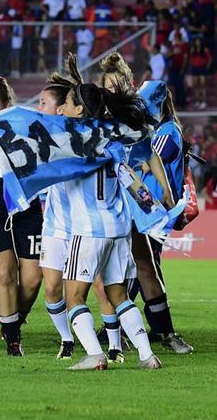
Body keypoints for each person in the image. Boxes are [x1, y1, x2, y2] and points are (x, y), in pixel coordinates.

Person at [57, 81, 161, 370]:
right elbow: (131, 180)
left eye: (67, 102)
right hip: (117, 229)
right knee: (118, 294)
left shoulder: (72, 142)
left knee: (74, 295)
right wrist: (153, 209)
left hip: (88, 230)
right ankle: (146, 355)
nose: (63, 107)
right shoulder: (114, 140)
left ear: (80, 109)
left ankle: (94, 354)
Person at [100, 53, 193, 355]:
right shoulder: (98, 118)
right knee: (106, 272)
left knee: (145, 265)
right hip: (107, 203)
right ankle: (108, 335)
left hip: (137, 204)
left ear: (128, 87)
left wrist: (166, 192)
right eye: (107, 87)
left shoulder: (136, 118)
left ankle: (165, 334)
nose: (112, 92)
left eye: (117, 86)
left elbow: (150, 156)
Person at [0, 77, 43, 356]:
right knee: (4, 272)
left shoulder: (27, 129)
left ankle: (13, 318)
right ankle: (13, 338)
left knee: (32, 279)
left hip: (26, 208)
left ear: (8, 106)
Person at [36, 79, 76, 360]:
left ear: (61, 109)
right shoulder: (39, 138)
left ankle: (114, 339)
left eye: (43, 103)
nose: (38, 107)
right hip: (53, 225)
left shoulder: (79, 138)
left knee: (96, 288)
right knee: (51, 288)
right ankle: (67, 339)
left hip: (84, 227)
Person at [189, 37, 212, 109]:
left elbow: (210, 59)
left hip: (202, 68)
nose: (197, 43)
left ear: (201, 42)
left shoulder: (205, 49)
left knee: (202, 85)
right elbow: (190, 59)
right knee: (196, 85)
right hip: (195, 68)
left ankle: (203, 101)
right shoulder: (193, 50)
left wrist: (207, 67)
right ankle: (198, 101)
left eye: (198, 41)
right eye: (196, 41)